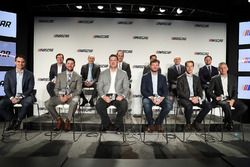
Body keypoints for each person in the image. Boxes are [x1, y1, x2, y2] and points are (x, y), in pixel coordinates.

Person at [207, 62, 248, 130]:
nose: (223, 70)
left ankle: (227, 119)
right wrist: (215, 97)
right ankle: (229, 122)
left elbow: (235, 92)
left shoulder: (233, 78)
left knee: (244, 107)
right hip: (220, 99)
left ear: (227, 68)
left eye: (224, 68)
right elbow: (209, 91)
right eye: (221, 68)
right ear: (218, 70)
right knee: (226, 105)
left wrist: (232, 100)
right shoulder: (214, 79)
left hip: (231, 98)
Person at [45, 58, 82, 131]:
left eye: (72, 63)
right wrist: (60, 96)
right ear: (66, 64)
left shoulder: (78, 76)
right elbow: (56, 89)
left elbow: (78, 90)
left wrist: (69, 96)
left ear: (74, 65)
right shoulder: (60, 75)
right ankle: (59, 120)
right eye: (68, 63)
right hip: (61, 96)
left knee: (74, 102)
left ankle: (68, 121)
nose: (70, 65)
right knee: (47, 103)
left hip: (72, 96)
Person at [0, 54, 35, 131]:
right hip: (12, 96)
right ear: (15, 62)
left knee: (27, 103)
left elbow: (30, 88)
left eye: (22, 62)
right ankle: (12, 120)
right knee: (1, 104)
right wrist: (12, 98)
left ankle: (18, 121)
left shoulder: (30, 74)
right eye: (18, 61)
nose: (20, 63)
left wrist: (20, 97)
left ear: (25, 63)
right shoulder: (9, 73)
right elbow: (6, 88)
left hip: (25, 96)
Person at [96, 54, 129, 132]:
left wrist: (122, 96)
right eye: (111, 60)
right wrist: (104, 96)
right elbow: (99, 87)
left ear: (117, 61)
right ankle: (108, 124)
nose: (113, 62)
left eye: (115, 60)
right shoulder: (103, 73)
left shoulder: (123, 73)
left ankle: (117, 125)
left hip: (118, 96)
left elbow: (126, 88)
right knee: (99, 105)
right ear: (109, 62)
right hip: (106, 95)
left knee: (124, 105)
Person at [177, 60, 211, 131]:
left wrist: (198, 97)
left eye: (191, 66)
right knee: (189, 106)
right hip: (184, 98)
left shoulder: (197, 78)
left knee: (208, 105)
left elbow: (200, 90)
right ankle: (188, 123)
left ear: (193, 67)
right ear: (185, 67)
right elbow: (180, 92)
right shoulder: (180, 78)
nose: (189, 68)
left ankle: (197, 122)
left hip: (195, 98)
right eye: (188, 66)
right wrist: (190, 98)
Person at [141, 59, 173, 132]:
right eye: (153, 65)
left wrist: (161, 98)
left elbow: (165, 90)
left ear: (158, 66)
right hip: (149, 97)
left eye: (156, 65)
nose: (155, 66)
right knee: (146, 104)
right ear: (150, 66)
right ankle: (150, 124)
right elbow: (143, 90)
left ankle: (158, 123)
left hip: (160, 97)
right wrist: (152, 98)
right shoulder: (145, 77)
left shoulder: (162, 77)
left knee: (169, 106)